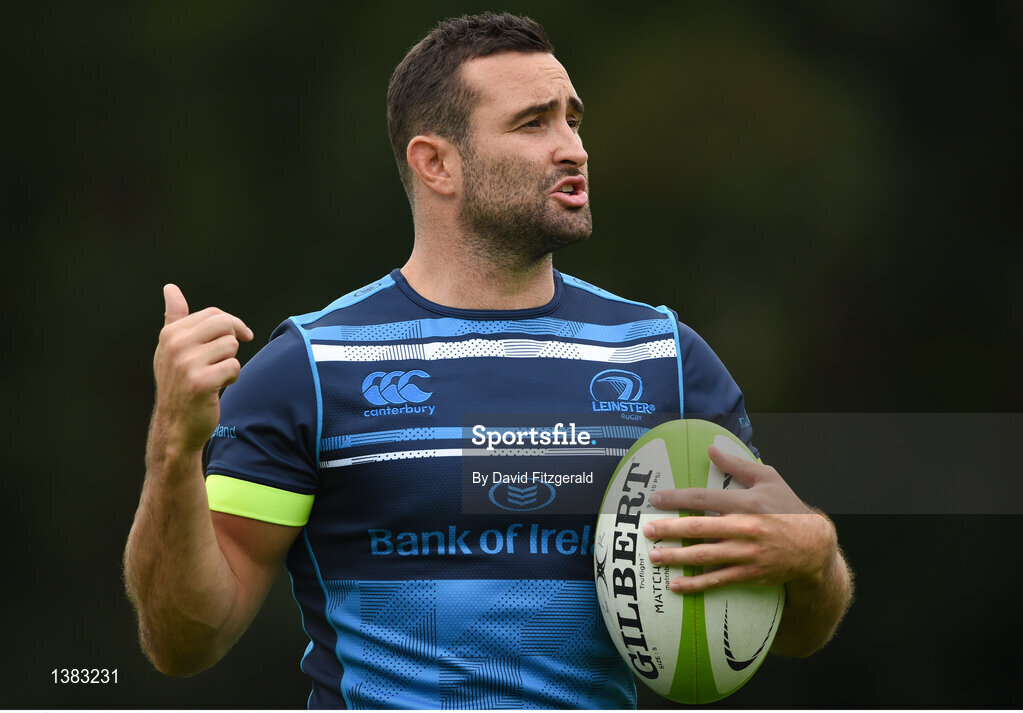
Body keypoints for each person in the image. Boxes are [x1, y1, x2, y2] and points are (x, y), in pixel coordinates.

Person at [124, 12, 852, 709]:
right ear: (435, 163)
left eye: (572, 118)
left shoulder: (664, 357)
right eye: (533, 123)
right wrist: (173, 447)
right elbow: (185, 638)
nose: (572, 147)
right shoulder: (312, 368)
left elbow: (788, 624)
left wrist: (814, 557)